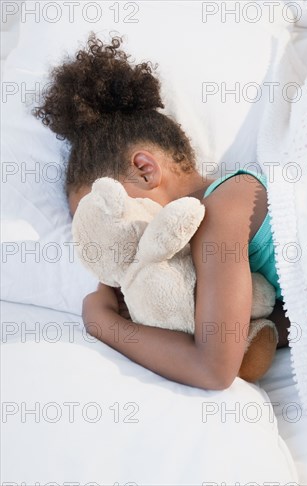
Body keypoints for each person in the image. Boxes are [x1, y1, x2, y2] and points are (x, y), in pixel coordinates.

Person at [34, 34, 289, 390]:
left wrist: (105, 324)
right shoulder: (199, 245)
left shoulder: (222, 208)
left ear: (144, 169)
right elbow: (294, 321)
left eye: (112, 216)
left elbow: (213, 369)